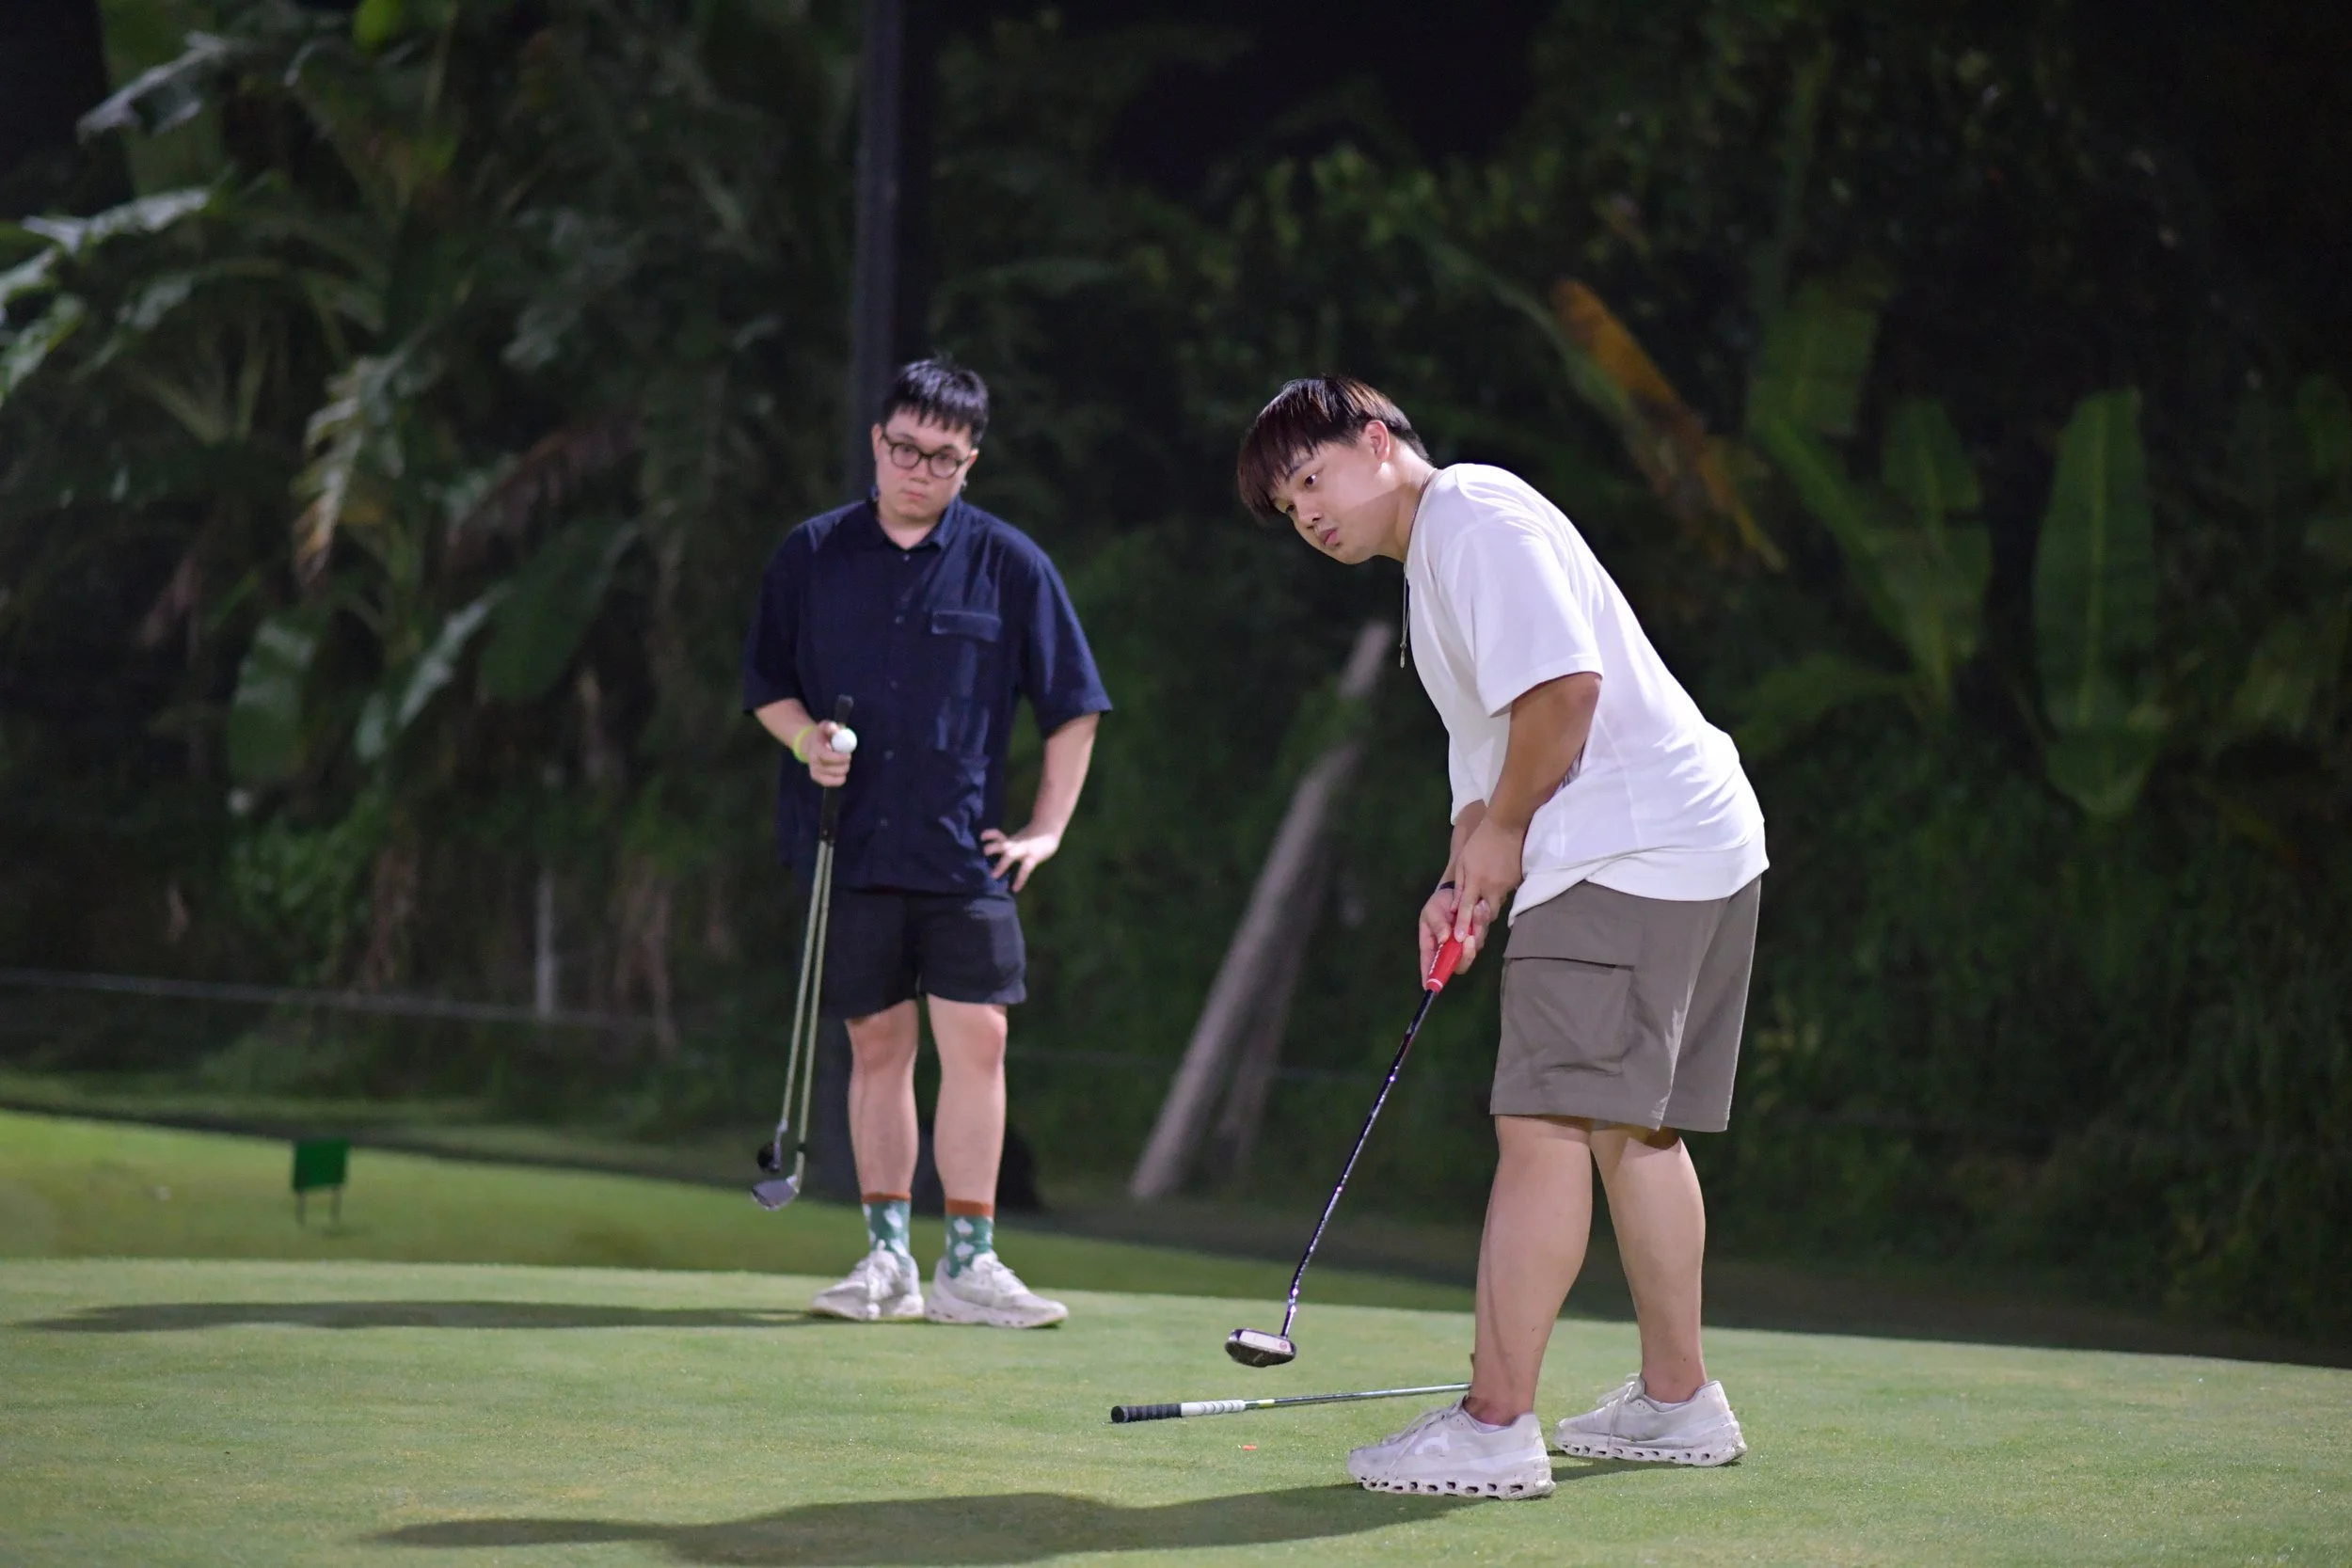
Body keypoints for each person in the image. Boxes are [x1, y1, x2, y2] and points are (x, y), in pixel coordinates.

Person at [1235, 376, 1766, 1498]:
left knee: (1541, 1126)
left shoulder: (1471, 513)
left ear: (1378, 441)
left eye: (1313, 475)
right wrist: (1461, 872)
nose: (1308, 512)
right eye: (1288, 505)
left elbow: (1565, 692)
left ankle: (1493, 1424)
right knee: (1635, 1128)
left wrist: (1512, 832)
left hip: (1622, 843)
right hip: (1692, 836)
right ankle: (1679, 1402)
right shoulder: (1436, 572)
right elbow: (1490, 763)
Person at [742, 359, 1110, 1329]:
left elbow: (1074, 706)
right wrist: (802, 740)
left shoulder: (1009, 562)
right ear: (877, 440)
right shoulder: (810, 554)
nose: (919, 469)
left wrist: (1047, 828)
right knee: (878, 1044)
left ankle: (971, 1261)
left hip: (965, 852)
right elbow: (767, 684)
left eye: (943, 458)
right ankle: (887, 1256)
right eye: (905, 448)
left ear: (970, 460)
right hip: (849, 844)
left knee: (980, 1037)